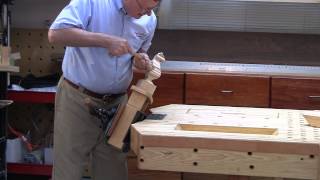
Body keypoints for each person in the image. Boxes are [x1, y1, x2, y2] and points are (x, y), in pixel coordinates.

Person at [47, 0, 160, 179]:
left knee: (113, 171)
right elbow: (56, 34)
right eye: (143, 8)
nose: (147, 14)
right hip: (78, 100)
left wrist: (141, 60)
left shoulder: (149, 20)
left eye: (151, 9)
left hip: (118, 107)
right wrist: (105, 40)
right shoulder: (92, 2)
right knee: (68, 171)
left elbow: (138, 53)